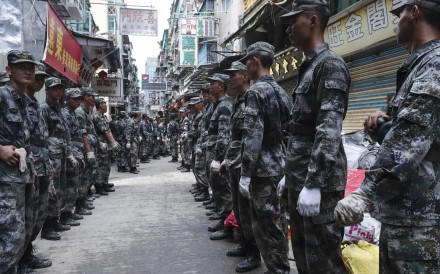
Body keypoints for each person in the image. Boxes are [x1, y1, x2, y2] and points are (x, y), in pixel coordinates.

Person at [336, 1, 440, 273]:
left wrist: (363, 194)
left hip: (423, 220)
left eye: (401, 13)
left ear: (415, 12)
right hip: (411, 214)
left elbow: (407, 144)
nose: (398, 20)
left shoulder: (435, 64)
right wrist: (383, 126)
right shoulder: (419, 65)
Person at [238, 42, 291, 274]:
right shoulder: (281, 91)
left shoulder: (256, 92)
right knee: (276, 221)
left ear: (254, 61)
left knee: (265, 224)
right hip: (279, 163)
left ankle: (278, 269)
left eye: (246, 62)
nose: (245, 68)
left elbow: (252, 137)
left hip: (262, 168)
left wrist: (245, 174)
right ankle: (278, 268)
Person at [221, 61, 261, 272]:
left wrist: (247, 169)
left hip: (247, 164)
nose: (230, 79)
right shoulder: (237, 100)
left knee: (248, 212)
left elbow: (253, 136)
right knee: (238, 208)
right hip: (235, 162)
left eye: (233, 75)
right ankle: (245, 245)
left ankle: (254, 253)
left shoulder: (253, 97)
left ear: (244, 76)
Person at [0, 50, 34, 274]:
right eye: (21, 66)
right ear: (9, 70)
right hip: (5, 175)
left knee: (23, 230)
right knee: (10, 232)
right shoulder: (2, 95)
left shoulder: (24, 100)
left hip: (22, 173)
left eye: (30, 67)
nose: (28, 71)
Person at [20, 62, 53, 272]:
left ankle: (26, 254)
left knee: (38, 214)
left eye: (42, 79)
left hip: (40, 162)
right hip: (24, 165)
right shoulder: (18, 101)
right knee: (23, 216)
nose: (38, 81)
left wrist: (47, 162)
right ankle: (19, 259)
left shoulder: (35, 104)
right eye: (36, 77)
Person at [40, 77, 79, 238]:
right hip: (51, 156)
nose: (58, 91)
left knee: (61, 189)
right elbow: (42, 136)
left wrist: (69, 152)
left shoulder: (59, 110)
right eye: (54, 88)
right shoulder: (44, 109)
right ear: (47, 90)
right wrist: (46, 158)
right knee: (52, 191)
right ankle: (47, 226)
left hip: (61, 155)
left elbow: (66, 133)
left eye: (60, 88)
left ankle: (56, 219)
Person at [205, 73, 233, 238]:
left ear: (221, 87)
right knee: (217, 189)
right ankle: (224, 220)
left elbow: (224, 136)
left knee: (223, 190)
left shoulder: (224, 106)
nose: (210, 87)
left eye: (213, 83)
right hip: (213, 152)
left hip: (219, 155)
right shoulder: (216, 105)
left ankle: (228, 227)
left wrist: (218, 158)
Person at [61, 88, 85, 228]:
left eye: (79, 99)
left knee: (74, 184)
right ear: (67, 99)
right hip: (69, 154)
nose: (78, 101)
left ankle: (69, 211)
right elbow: (66, 136)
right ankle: (65, 215)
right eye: (75, 99)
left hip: (76, 153)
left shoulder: (73, 114)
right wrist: (70, 154)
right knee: (69, 185)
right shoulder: (65, 114)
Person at [93, 98, 120, 189]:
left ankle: (105, 182)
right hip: (100, 144)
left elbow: (108, 131)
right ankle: (99, 185)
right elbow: (104, 131)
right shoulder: (96, 116)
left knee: (107, 164)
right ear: (100, 105)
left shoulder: (103, 116)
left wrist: (113, 142)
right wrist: (112, 142)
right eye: (104, 104)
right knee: (101, 164)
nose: (106, 105)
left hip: (106, 144)